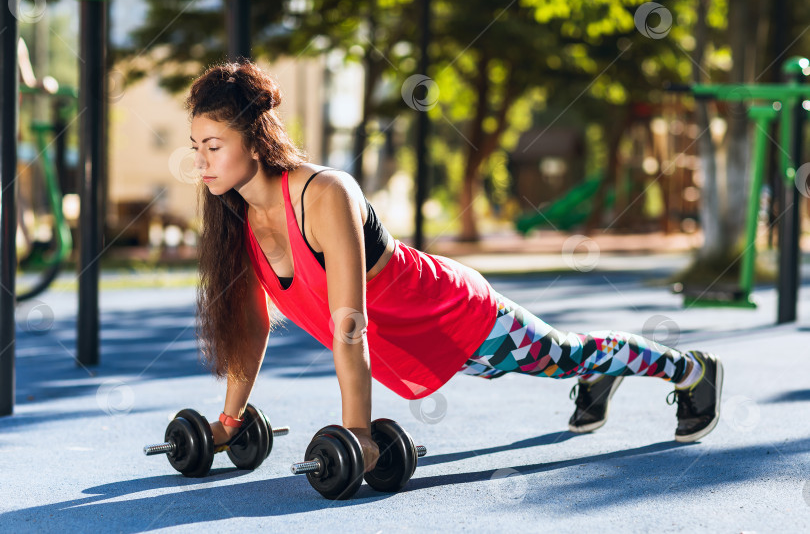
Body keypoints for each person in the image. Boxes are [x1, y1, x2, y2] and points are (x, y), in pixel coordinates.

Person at [186, 61, 724, 474]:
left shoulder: (324, 192)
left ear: (255, 141)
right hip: (409, 344)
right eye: (196, 148)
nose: (202, 163)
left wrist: (358, 433)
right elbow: (251, 327)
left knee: (563, 356)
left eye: (213, 146)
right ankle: (600, 375)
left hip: (457, 315)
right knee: (569, 360)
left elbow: (349, 324)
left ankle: (691, 369)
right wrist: (229, 424)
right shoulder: (241, 219)